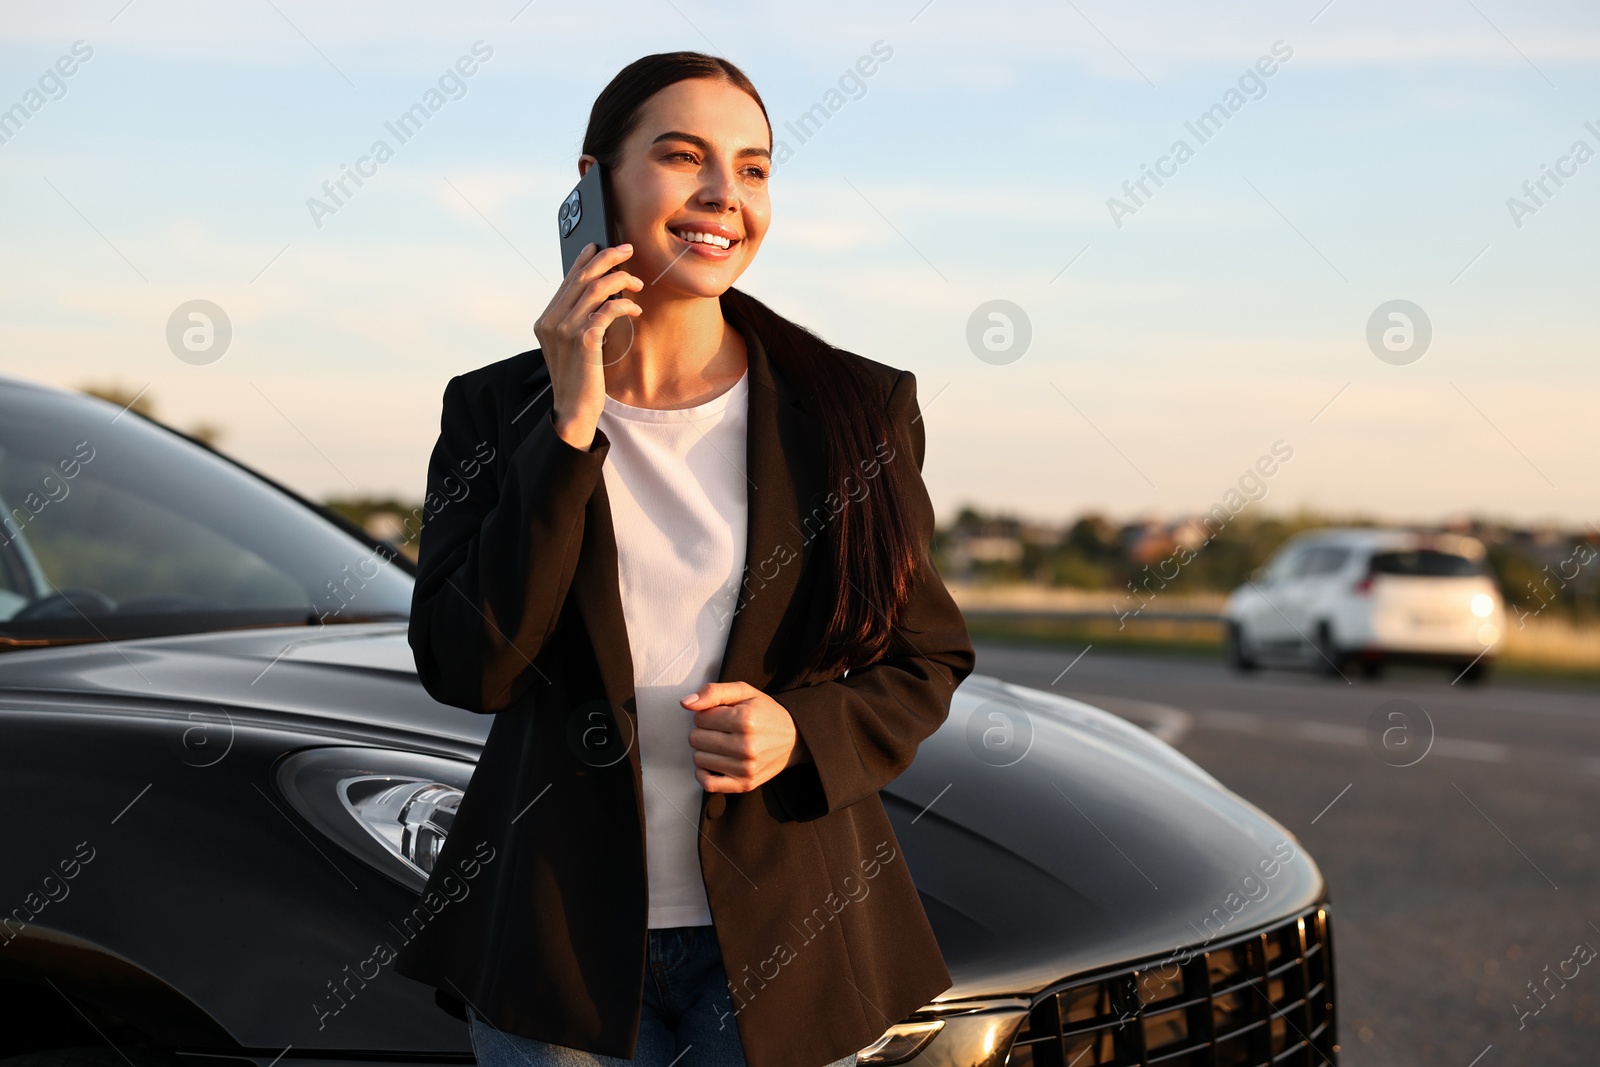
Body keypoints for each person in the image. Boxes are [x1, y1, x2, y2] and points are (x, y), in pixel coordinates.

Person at [392, 51, 975, 1067]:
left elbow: (926, 658)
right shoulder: (492, 408)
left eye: (753, 168)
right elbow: (467, 665)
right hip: (555, 947)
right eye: (682, 156)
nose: (724, 195)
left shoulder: (854, 408)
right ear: (592, 182)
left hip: (786, 939)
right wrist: (567, 428)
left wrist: (799, 728)